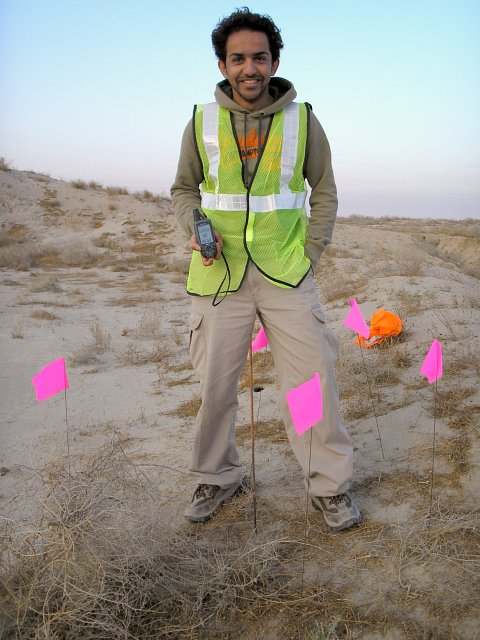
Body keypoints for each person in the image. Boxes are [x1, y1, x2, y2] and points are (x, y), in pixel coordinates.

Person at [170, 7, 361, 532]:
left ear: (275, 61)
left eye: (259, 57)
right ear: (222, 63)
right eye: (238, 58)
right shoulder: (201, 120)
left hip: (286, 274)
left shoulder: (303, 119)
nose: (249, 68)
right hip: (218, 276)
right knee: (216, 384)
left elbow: (322, 189)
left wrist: (312, 250)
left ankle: (328, 484)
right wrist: (193, 222)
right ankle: (217, 476)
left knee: (308, 384)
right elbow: (184, 188)